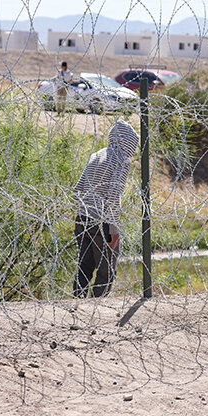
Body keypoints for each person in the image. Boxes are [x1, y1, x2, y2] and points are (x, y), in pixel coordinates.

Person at [73, 120, 139, 298]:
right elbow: (113, 196)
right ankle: (98, 305)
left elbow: (78, 188)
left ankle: (77, 302)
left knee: (84, 265)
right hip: (101, 222)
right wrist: (113, 229)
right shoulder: (122, 159)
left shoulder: (96, 155)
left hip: (82, 217)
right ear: (129, 142)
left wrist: (83, 210)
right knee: (106, 268)